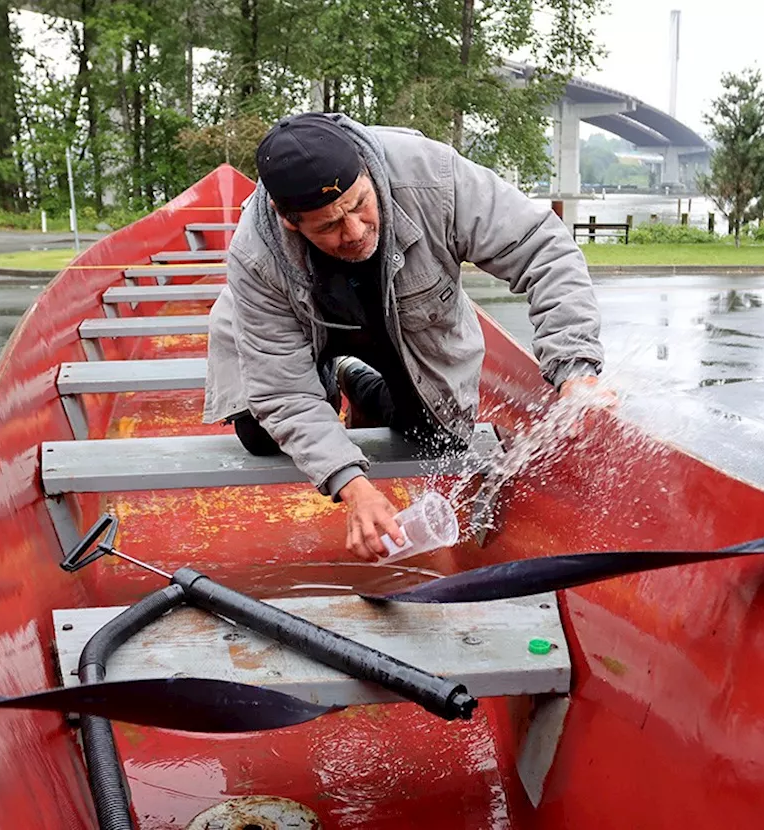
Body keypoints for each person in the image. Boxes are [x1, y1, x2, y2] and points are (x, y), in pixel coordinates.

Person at [203, 112, 605, 560]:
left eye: (359, 205)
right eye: (329, 226)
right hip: (301, 326)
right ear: (288, 220)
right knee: (261, 439)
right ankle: (328, 380)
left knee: (440, 434)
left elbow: (542, 248)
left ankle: (355, 379)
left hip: (405, 319)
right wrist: (352, 486)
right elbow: (281, 390)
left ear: (366, 169)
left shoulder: (434, 176)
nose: (354, 232)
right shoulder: (254, 254)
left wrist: (575, 366)